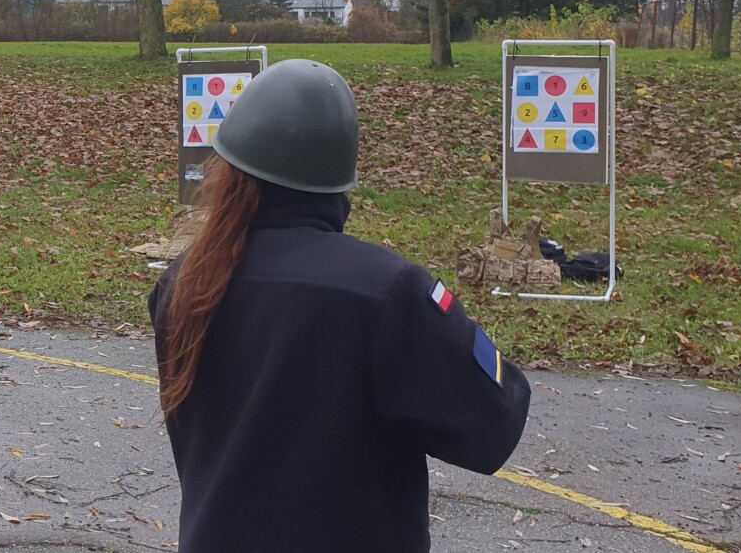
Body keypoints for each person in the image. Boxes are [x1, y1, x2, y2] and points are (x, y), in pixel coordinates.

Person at [150, 59, 530, 552]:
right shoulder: (388, 291)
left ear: (229, 165)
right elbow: (495, 424)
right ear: (340, 177)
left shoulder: (184, 283)